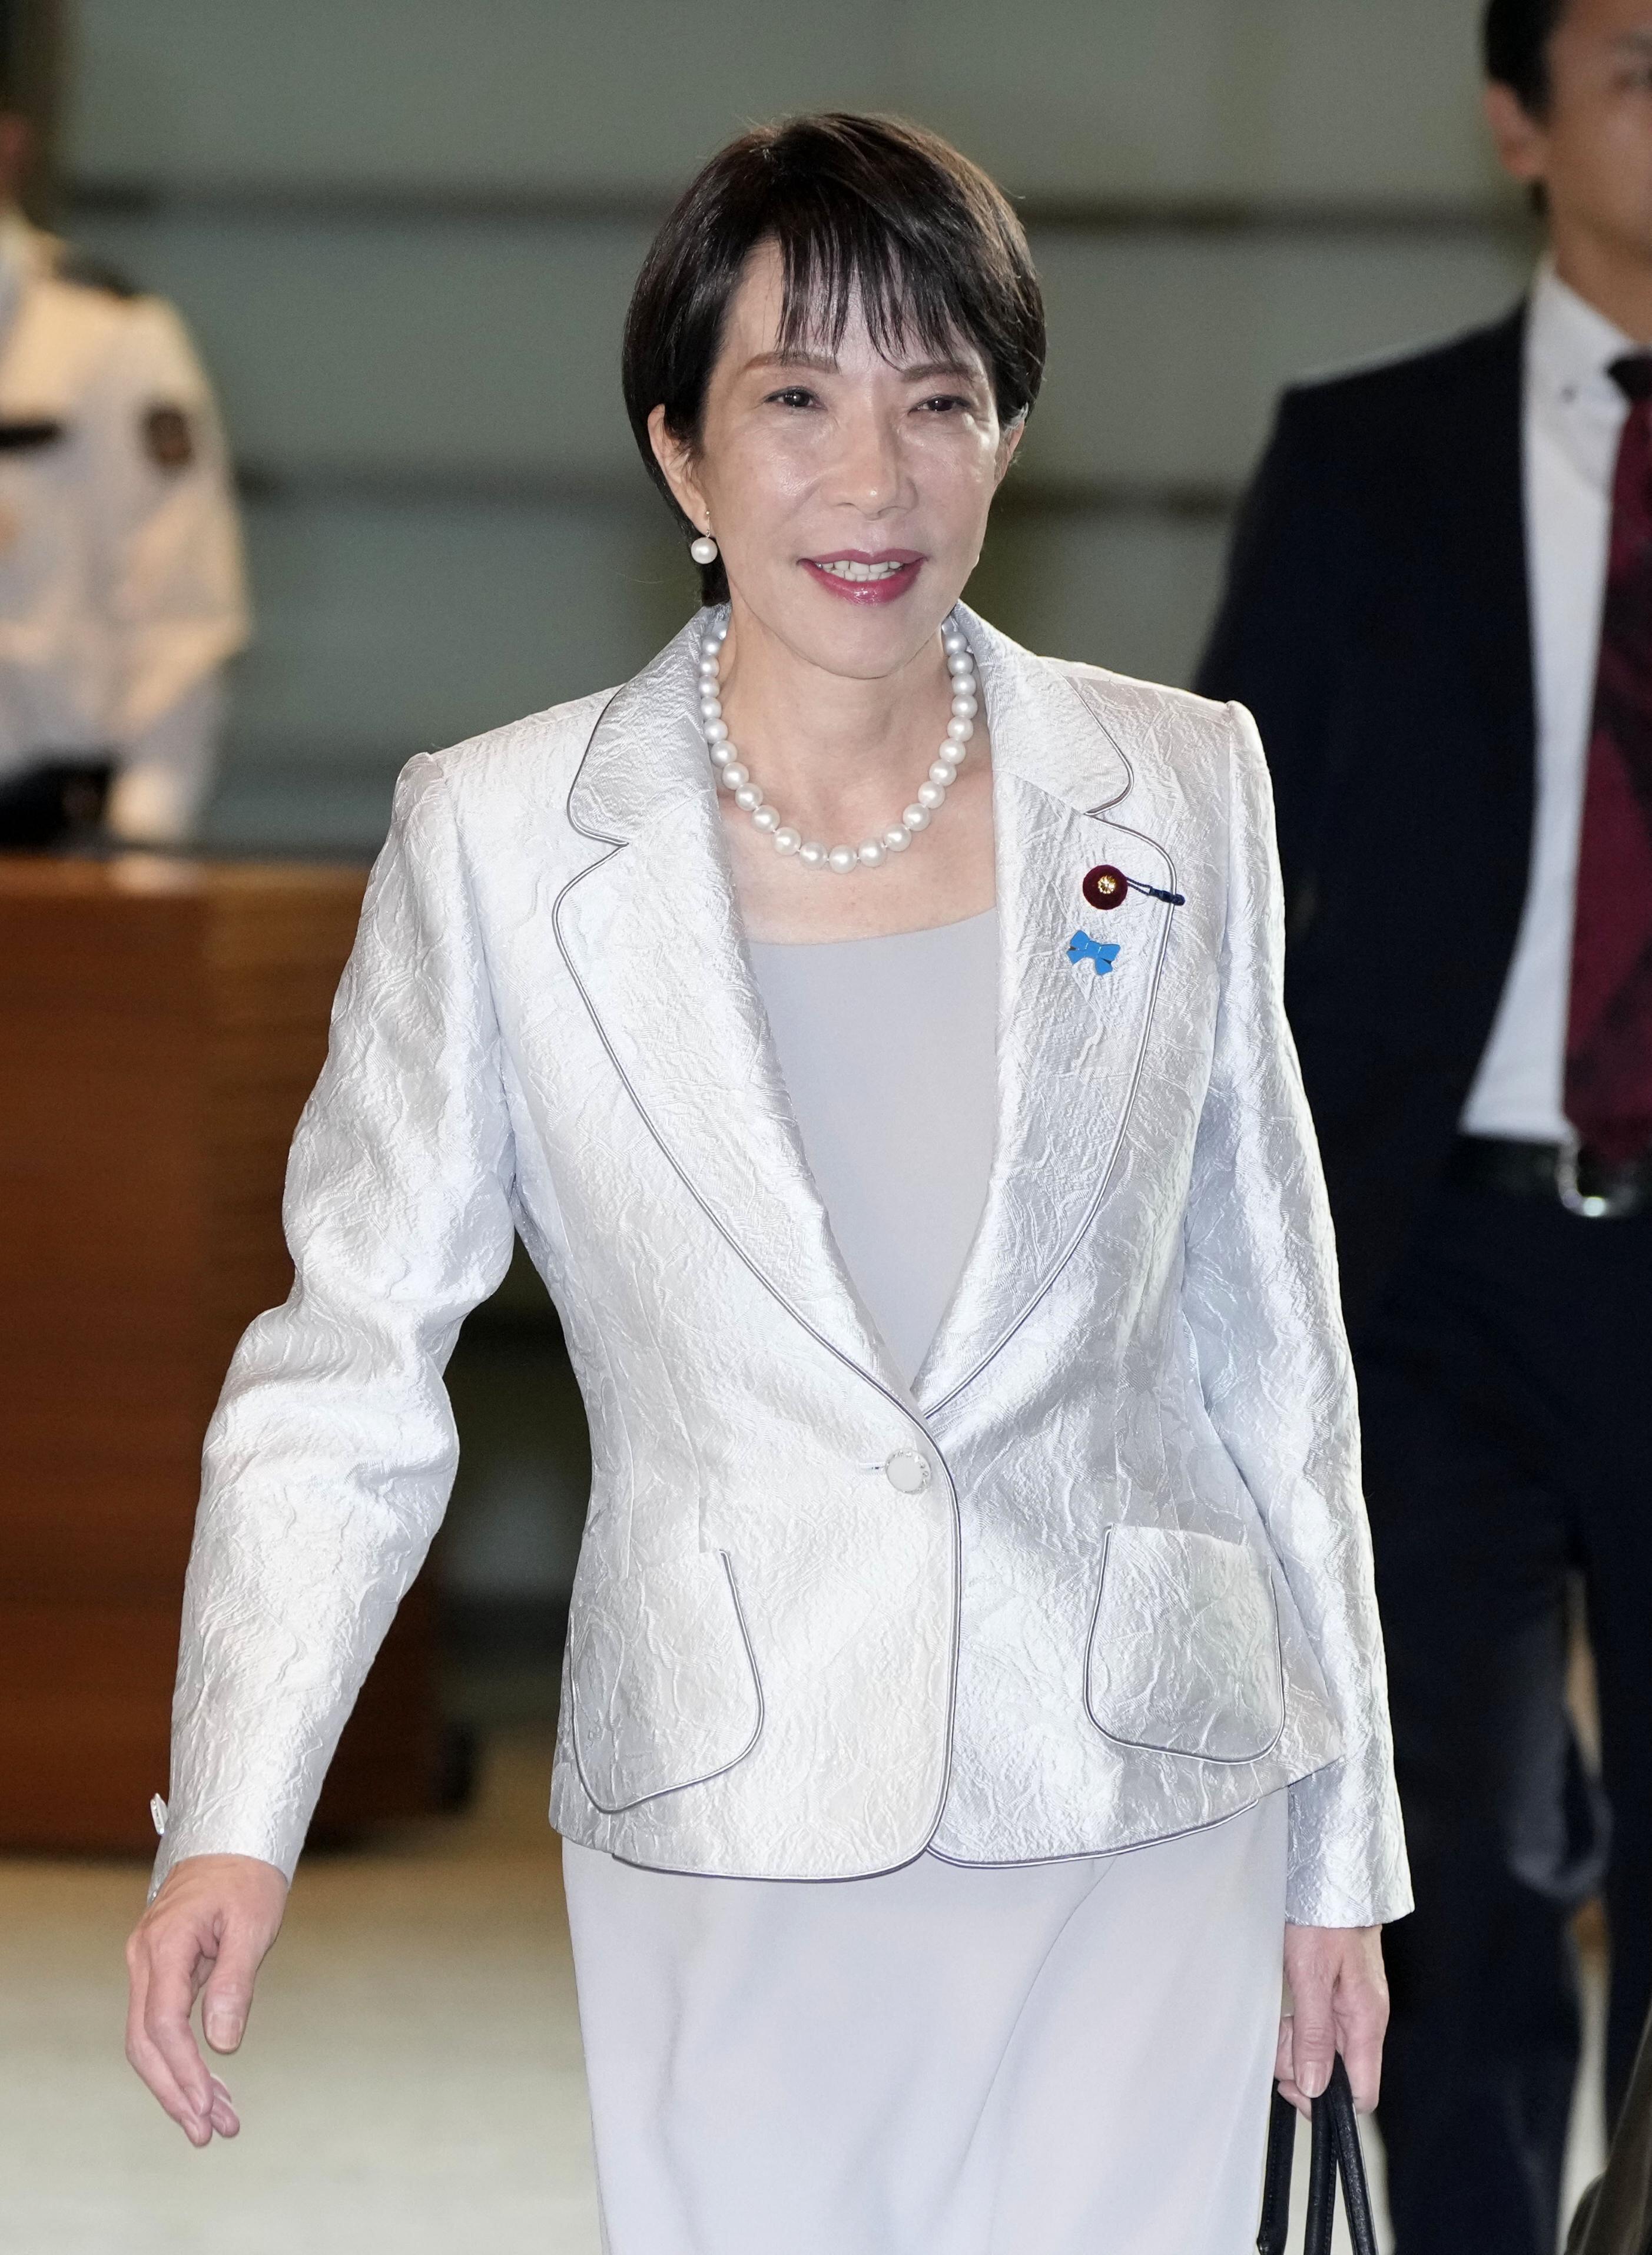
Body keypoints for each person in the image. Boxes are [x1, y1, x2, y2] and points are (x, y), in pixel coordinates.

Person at [124, 115, 1409, 2255]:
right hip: (732, 1804)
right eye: (796, 399)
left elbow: (1272, 1349)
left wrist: (1341, 1843)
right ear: (682, 457)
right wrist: (233, 1815)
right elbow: (350, 1373)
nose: (874, 480)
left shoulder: (1180, 787)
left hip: (1145, 1789)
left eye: (940, 401)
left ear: (1007, 439)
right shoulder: (502, 840)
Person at [1195, 3, 1652, 2249]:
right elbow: (1226, 877)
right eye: (1639, 64)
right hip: (1433, 1257)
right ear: (1514, 120)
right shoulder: (1365, 457)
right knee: (1457, 1851)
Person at [0, 104, 247, 850]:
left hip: (40, 820)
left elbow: (181, 596)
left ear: (10, 141)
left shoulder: (107, 332)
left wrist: (146, 830)